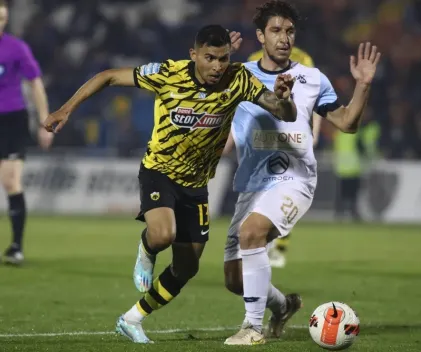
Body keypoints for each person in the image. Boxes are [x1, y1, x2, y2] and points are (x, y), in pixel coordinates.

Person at [43, 24, 297, 344]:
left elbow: (283, 112)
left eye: (223, 58)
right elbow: (107, 76)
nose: (217, 66)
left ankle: (132, 318)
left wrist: (284, 98)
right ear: (193, 55)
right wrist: (66, 109)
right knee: (163, 234)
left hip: (197, 184)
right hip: (159, 171)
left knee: (186, 268)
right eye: (210, 58)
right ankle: (147, 247)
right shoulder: (168, 73)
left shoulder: (239, 80)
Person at [221, 0, 381, 345]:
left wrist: (363, 85)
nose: (284, 38)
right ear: (260, 36)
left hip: (294, 179)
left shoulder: (311, 78)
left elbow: (347, 124)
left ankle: (252, 328)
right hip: (251, 184)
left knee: (252, 234)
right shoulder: (240, 76)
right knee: (236, 280)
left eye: (290, 31)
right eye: (276, 30)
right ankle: (282, 306)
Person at [237, 41, 320, 269]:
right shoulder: (253, 59)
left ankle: (278, 246)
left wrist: (315, 131)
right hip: (262, 134)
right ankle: (258, 240)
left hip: (292, 134)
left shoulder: (303, 59)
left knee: (284, 187)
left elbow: (315, 97)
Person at [0, 0, 53, 265]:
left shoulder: (15, 48)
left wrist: (45, 120)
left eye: (2, 19)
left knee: (10, 181)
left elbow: (35, 83)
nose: (0, 23)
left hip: (11, 120)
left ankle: (16, 247)